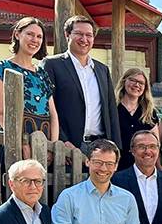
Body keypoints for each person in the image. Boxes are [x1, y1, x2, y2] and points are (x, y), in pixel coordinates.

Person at [43, 15, 121, 152]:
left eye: (89, 35)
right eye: (79, 34)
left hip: (101, 145)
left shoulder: (102, 70)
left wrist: (115, 147)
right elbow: (46, 108)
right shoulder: (51, 65)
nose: (84, 39)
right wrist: (62, 140)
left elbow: (111, 110)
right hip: (68, 146)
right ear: (67, 35)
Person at [0, 17, 59, 142]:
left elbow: (53, 115)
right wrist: (20, 143)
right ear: (17, 34)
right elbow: (0, 111)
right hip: (14, 141)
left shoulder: (42, 74)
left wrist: (52, 147)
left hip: (43, 141)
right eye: (30, 34)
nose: (35, 40)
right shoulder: (0, 68)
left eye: (39, 36)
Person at [115, 68, 159, 170]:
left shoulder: (149, 112)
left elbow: (156, 143)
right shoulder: (112, 109)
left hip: (141, 167)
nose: (136, 85)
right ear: (124, 81)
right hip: (116, 166)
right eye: (132, 80)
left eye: (141, 83)